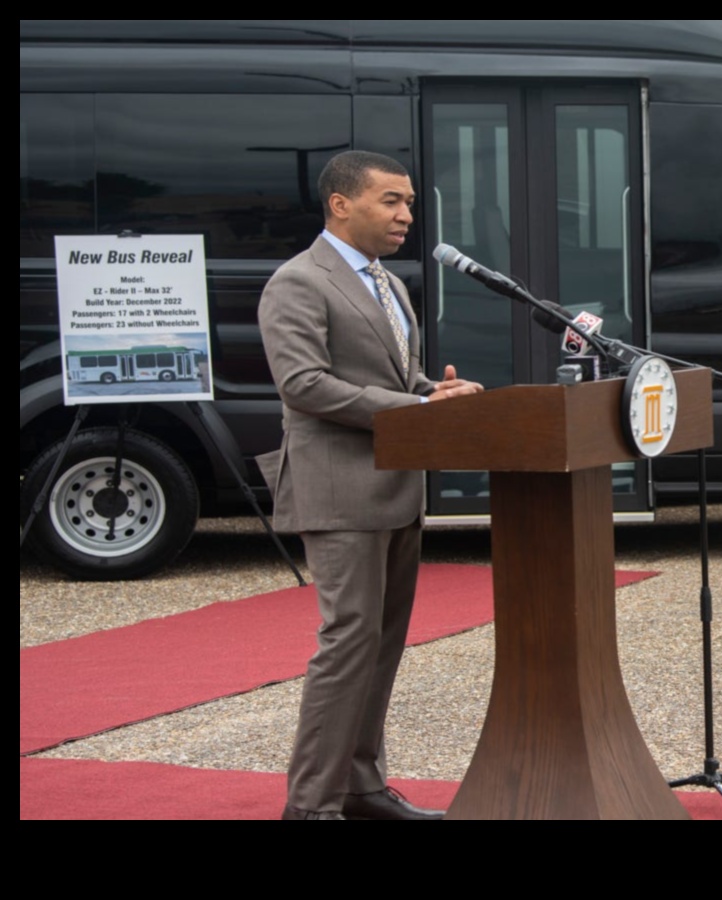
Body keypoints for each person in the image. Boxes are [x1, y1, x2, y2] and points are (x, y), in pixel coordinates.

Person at [257, 150, 482, 820]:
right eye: (390, 201)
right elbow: (302, 384)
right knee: (348, 643)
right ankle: (311, 806)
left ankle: (360, 788)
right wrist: (416, 409)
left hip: (394, 488)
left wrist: (435, 392)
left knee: (380, 647)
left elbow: (393, 376)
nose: (406, 215)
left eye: (408, 202)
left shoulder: (391, 284)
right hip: (338, 491)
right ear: (340, 203)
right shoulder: (298, 283)